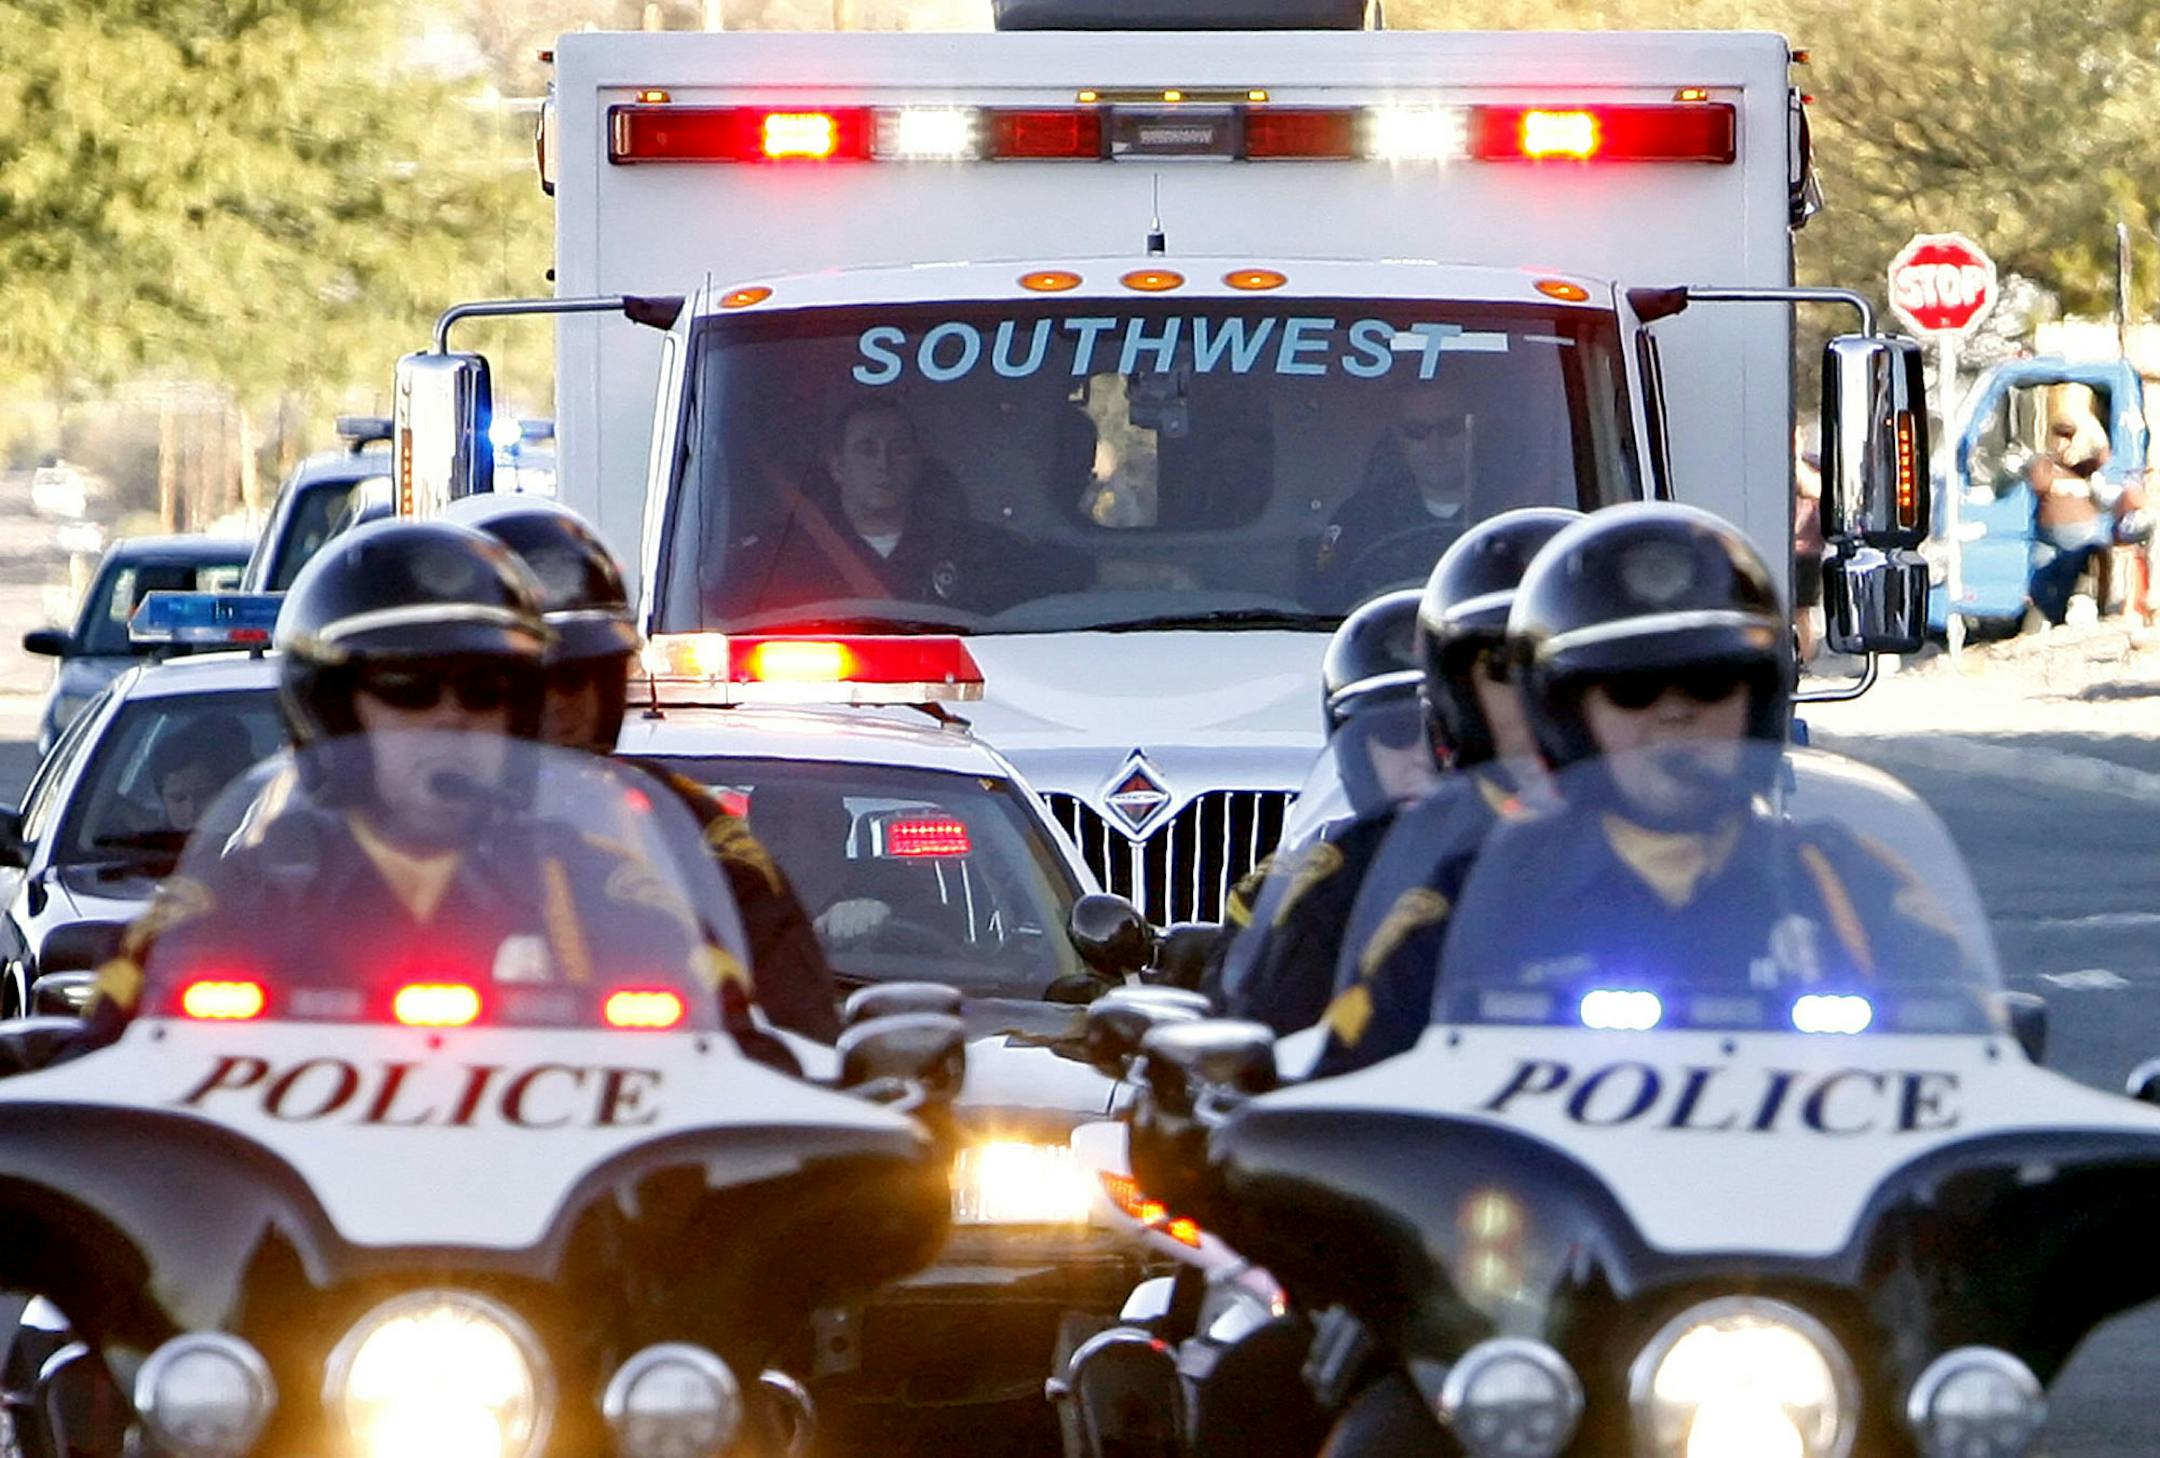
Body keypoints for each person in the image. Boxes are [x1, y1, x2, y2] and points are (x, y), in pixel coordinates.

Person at [1325, 503, 1959, 1077]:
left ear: (1760, 700)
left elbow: (1980, 1070)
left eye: (1709, 682)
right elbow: (1346, 1112)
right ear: (1567, 715)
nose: (1673, 716)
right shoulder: (1467, 905)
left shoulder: (1850, 885)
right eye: (1631, 690)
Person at [83, 520, 738, 1049]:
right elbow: (93, 1097)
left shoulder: (614, 900)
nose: (451, 718)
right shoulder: (226, 907)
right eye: (409, 690)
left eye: (485, 691)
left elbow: (759, 1065)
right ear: (331, 712)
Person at [444, 493, 843, 1043]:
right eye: (536, 681)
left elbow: (797, 1035)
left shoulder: (697, 837)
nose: (567, 705)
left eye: (587, 675)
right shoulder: (377, 845)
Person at [1315, 507, 1579, 1064]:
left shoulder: (1787, 868)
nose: (1539, 696)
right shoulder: (1417, 874)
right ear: (1458, 698)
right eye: (1506, 670)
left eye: (1568, 666)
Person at [1202, 589, 1428, 1033]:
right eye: (1397, 731)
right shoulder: (1302, 882)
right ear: (1354, 749)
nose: (1424, 754)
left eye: (1443, 729)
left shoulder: (1548, 861)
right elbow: (1246, 1037)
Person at [729, 397, 1088, 617]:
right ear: (837, 467)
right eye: (866, 450)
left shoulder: (976, 550)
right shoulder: (782, 557)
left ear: (918, 461)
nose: (883, 465)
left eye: (898, 449)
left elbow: (1075, 584)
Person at [1309, 389, 1474, 605]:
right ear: (1399, 438)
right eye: (1417, 431)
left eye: (1450, 428)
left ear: (1473, 431)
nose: (1435, 445)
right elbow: (1325, 599)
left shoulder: (1509, 512)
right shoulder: (1361, 518)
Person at [2028, 393, 2115, 626]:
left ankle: (2073, 614)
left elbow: (2102, 458)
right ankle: (2051, 615)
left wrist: (2092, 426)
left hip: (2078, 532)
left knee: (2069, 575)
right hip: (2048, 535)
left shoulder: (2077, 466)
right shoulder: (2043, 464)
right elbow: (2042, 484)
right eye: (2060, 437)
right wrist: (2070, 486)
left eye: (2068, 438)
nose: (2063, 443)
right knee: (2038, 582)